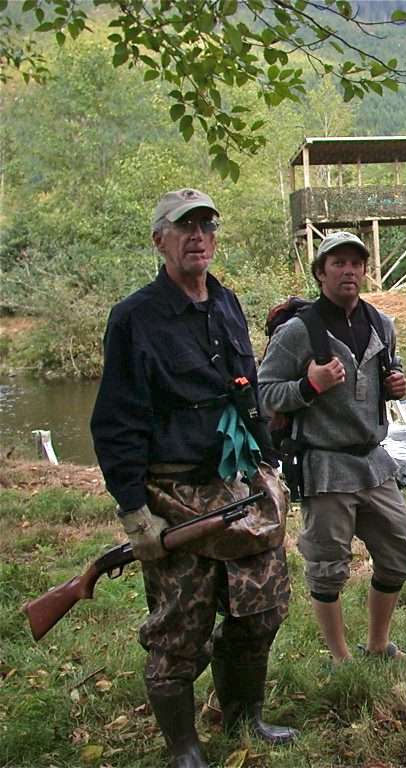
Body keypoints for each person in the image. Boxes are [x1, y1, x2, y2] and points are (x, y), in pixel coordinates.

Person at [90, 189, 296, 767]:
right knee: (179, 632)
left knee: (263, 609)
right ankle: (184, 749)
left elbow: (246, 387)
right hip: (174, 492)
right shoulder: (135, 318)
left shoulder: (226, 302)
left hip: (238, 487)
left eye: (206, 225)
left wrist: (269, 455)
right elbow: (115, 422)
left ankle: (245, 717)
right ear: (160, 240)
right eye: (184, 227)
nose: (197, 235)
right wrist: (134, 511)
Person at [258, 231, 406, 663]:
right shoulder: (297, 332)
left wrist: (396, 386)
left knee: (400, 553)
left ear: (365, 270)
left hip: (374, 462)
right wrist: (308, 386)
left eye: (356, 263)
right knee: (327, 568)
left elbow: (388, 378)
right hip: (324, 464)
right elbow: (264, 394)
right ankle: (339, 657)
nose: (348, 270)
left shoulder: (382, 324)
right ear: (320, 273)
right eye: (338, 263)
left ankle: (378, 643)